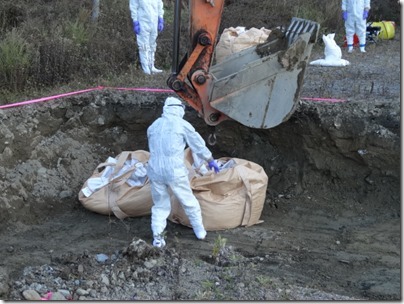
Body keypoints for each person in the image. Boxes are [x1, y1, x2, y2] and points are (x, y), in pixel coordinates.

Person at [146, 97, 220, 248]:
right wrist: (210, 159)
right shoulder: (182, 125)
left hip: (154, 170)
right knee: (188, 201)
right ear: (179, 109)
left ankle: (158, 238)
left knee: (160, 205)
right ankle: (200, 231)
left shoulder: (153, 126)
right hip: (174, 171)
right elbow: (197, 144)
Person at [129, 0, 164, 74]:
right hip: (143, 21)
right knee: (143, 45)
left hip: (154, 21)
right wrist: (135, 21)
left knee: (152, 44)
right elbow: (133, 6)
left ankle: (152, 66)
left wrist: (160, 18)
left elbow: (159, 4)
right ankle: (146, 68)